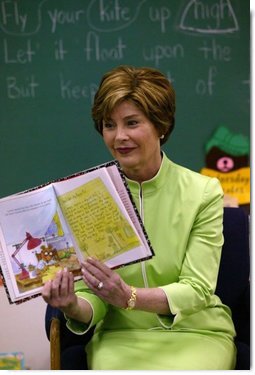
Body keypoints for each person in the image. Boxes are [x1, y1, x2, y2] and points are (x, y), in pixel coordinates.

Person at [42, 65, 236, 370]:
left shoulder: (203, 192)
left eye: (132, 123)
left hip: (197, 331)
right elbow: (91, 298)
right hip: (119, 337)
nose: (120, 137)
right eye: (109, 125)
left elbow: (197, 289)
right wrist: (71, 306)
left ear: (161, 125)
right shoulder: (85, 198)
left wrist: (128, 296)